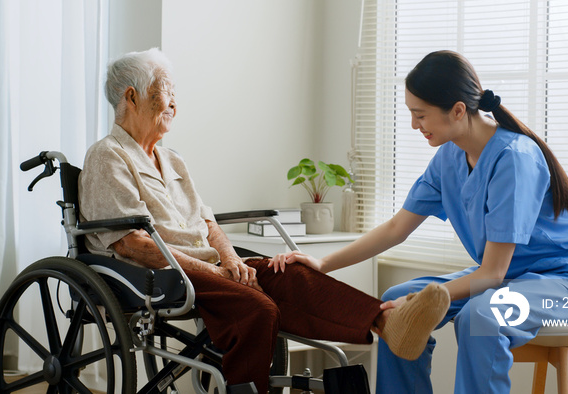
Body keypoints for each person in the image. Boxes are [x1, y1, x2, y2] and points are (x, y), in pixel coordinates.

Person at [78, 48, 449, 394]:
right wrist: (214, 272)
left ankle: (387, 323)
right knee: (258, 307)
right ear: (131, 97)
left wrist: (231, 261)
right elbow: (132, 244)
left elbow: (208, 223)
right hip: (152, 272)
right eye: (166, 91)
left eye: (176, 92)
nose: (175, 102)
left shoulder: (172, 159)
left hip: (200, 264)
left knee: (288, 274)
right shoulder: (107, 157)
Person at [270, 50, 568, 393]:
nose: (414, 125)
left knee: (481, 319)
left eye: (420, 115)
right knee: (394, 301)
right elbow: (396, 228)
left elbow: (491, 273)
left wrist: (423, 303)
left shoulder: (515, 159)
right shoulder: (449, 157)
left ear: (458, 110)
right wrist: (322, 263)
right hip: (511, 276)